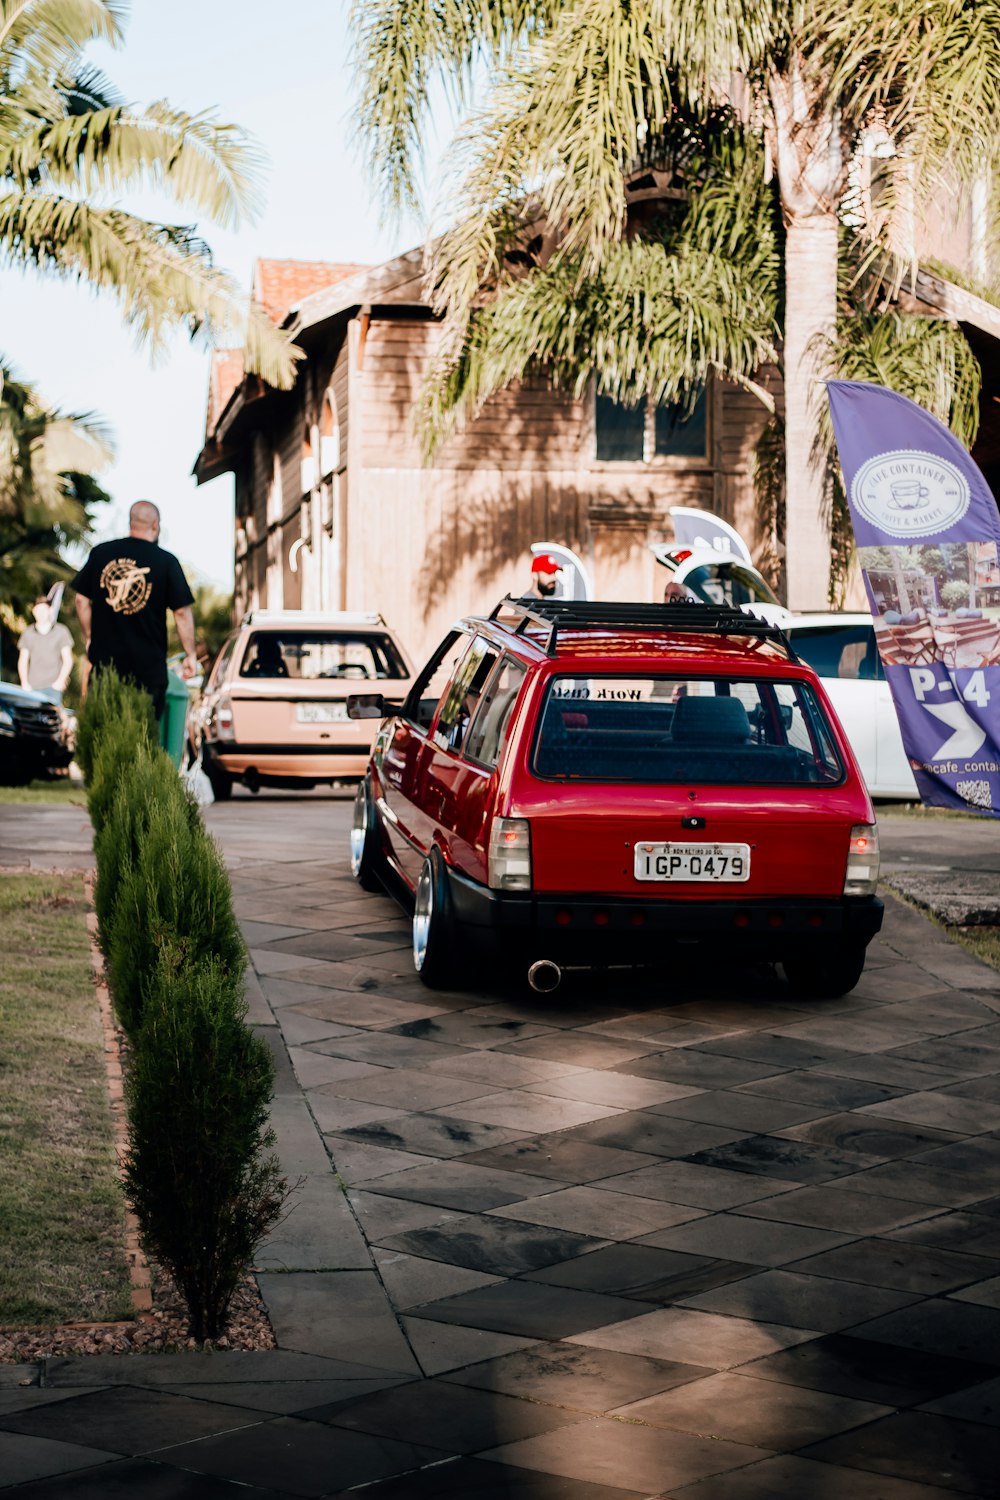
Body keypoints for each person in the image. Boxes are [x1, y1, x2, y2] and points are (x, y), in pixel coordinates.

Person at [72, 500, 197, 716]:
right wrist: (190, 654)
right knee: (142, 737)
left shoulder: (101, 553)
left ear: (131, 522)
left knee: (103, 735)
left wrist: (91, 636)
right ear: (155, 525)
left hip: (105, 669)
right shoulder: (166, 562)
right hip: (147, 672)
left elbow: (81, 600)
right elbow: (182, 613)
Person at [18, 595, 74, 703]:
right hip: (32, 688)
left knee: (52, 718)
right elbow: (23, 660)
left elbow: (68, 660)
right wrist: (24, 683)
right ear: (33, 611)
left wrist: (60, 681)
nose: (41, 613)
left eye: (44, 609)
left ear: (50, 610)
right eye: (38, 610)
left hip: (53, 688)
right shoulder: (28, 633)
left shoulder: (61, 631)